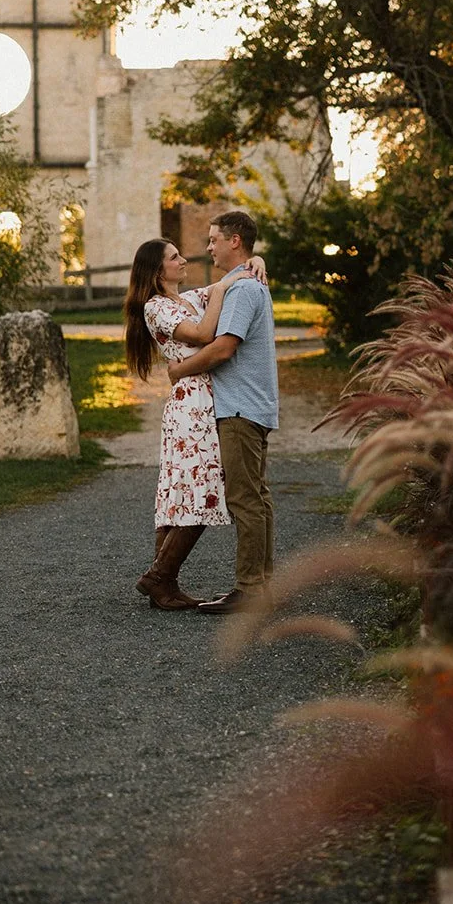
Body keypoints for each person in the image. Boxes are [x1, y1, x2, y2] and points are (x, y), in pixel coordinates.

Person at [123, 238, 264, 609]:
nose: (183, 259)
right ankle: (159, 578)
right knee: (197, 488)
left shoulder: (190, 299)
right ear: (158, 271)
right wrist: (221, 287)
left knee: (186, 486)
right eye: (174, 257)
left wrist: (256, 259)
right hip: (190, 402)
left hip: (205, 397)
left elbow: (229, 281)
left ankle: (162, 582)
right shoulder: (156, 308)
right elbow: (203, 335)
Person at [168, 210, 279, 615]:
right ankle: (261, 586)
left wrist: (178, 369)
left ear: (235, 241)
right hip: (250, 406)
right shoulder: (246, 282)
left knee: (245, 500)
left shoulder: (243, 291)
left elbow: (223, 347)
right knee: (258, 498)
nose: (208, 246)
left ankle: (250, 590)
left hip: (239, 409)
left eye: (214, 239)